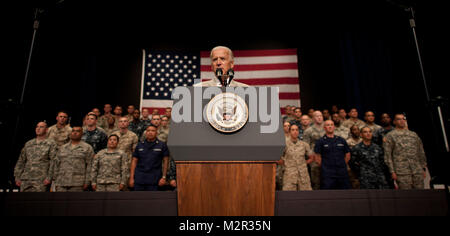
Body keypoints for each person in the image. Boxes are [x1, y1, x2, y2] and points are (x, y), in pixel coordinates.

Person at [383, 113, 427, 190]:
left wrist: (423, 167)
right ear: (394, 122)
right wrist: (392, 171)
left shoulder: (413, 135)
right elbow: (388, 155)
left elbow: (420, 151)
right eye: (399, 119)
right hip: (402, 172)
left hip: (417, 170)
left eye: (403, 119)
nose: (402, 121)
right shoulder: (390, 136)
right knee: (406, 196)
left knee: (420, 195)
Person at [14, 122, 57, 192]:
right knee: (23, 201)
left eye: (41, 127)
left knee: (38, 201)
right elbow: (21, 161)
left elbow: (54, 161)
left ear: (46, 130)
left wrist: (49, 177)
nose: (38, 129)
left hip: (41, 179)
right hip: (26, 179)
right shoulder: (29, 143)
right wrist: (17, 177)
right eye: (37, 127)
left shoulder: (51, 143)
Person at [52, 126, 94, 192]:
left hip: (78, 183)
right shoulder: (63, 147)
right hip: (61, 182)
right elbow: (57, 164)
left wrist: (87, 182)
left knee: (75, 202)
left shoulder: (87, 148)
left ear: (82, 134)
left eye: (78, 131)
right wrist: (55, 180)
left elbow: (90, 166)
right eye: (73, 131)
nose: (75, 133)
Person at [129, 125, 170, 191]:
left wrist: (164, 177)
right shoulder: (139, 145)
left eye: (153, 131)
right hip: (140, 178)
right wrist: (131, 178)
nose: (150, 132)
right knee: (138, 199)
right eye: (148, 131)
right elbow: (134, 161)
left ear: (156, 133)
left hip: (155, 179)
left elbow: (166, 161)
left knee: (153, 200)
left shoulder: (162, 145)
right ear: (145, 133)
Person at [314, 120, 351, 190]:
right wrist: (325, 167)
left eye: (331, 125)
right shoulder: (320, 141)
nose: (330, 126)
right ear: (324, 128)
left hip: (341, 172)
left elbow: (347, 154)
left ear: (334, 127)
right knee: (328, 193)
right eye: (328, 125)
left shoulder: (341, 140)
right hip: (327, 173)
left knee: (344, 192)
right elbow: (317, 157)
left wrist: (342, 164)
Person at [280, 124, 314, 191]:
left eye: (296, 130)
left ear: (298, 132)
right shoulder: (284, 144)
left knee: (306, 195)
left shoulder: (304, 144)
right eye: (293, 130)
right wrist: (286, 164)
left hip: (303, 175)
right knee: (288, 195)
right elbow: (278, 157)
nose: (295, 132)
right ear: (289, 132)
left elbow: (311, 157)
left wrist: (304, 163)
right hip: (290, 174)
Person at [112, 117, 139, 190]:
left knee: (125, 188)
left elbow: (135, 153)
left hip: (127, 165)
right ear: (118, 123)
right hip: (114, 164)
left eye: (125, 121)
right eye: (121, 121)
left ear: (128, 123)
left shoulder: (133, 136)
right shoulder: (113, 135)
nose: (123, 123)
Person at [302, 111, 325, 190]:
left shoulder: (327, 127)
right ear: (313, 118)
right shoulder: (308, 131)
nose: (319, 117)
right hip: (314, 158)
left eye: (321, 116)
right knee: (316, 181)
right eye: (317, 116)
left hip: (327, 156)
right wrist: (312, 156)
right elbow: (305, 146)